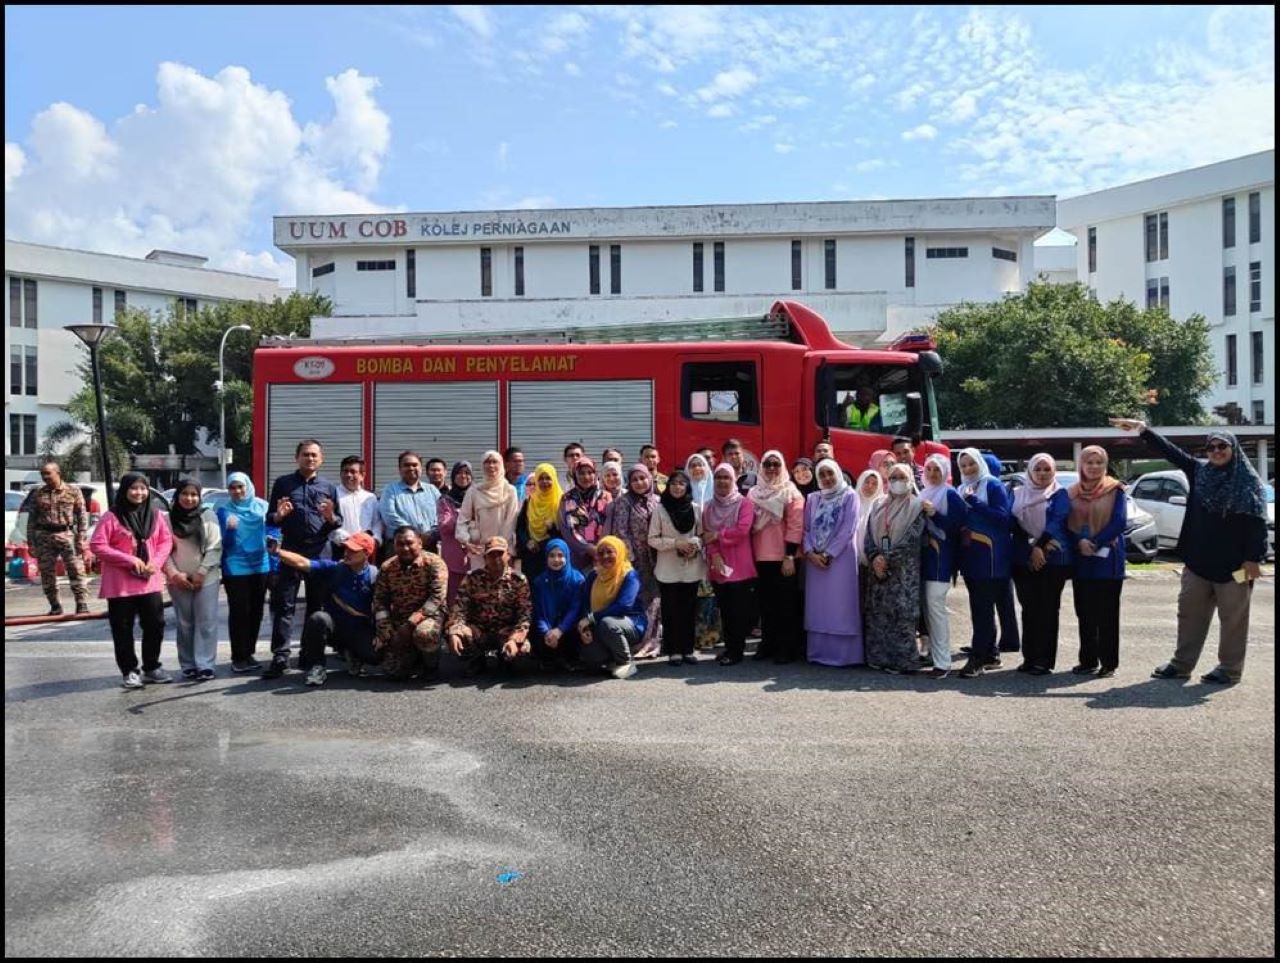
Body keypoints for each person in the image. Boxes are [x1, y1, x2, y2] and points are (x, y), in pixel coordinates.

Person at [1113, 419, 1268, 685]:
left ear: (1234, 450)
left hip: (1236, 569)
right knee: (1188, 615)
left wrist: (1252, 560)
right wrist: (1143, 430)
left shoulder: (1249, 483)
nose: (1216, 451)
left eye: (1223, 446)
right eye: (1211, 447)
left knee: (1234, 620)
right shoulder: (1199, 473)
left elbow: (1257, 525)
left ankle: (1229, 669)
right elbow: (1173, 453)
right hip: (1197, 563)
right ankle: (1181, 664)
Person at [264, 439, 342, 678]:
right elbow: (270, 518)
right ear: (296, 457)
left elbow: (338, 523)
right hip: (290, 551)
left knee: (315, 606)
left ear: (322, 459)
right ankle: (280, 656)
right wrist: (280, 515)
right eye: (305, 455)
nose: (310, 459)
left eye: (314, 455)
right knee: (284, 605)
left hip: (318, 553)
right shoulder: (283, 483)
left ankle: (310, 654)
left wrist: (330, 517)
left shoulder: (329, 487)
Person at [90, 472, 175, 689]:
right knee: (123, 629)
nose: (139, 493)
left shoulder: (156, 515)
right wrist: (129, 560)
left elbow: (165, 542)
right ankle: (129, 671)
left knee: (155, 625)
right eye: (133, 488)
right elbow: (98, 545)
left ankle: (152, 667)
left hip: (149, 581)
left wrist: (154, 563)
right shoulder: (112, 516)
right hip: (121, 586)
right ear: (125, 491)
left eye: (143, 488)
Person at [269, 532, 379, 687]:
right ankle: (317, 666)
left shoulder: (376, 575)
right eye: (347, 548)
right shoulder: (335, 568)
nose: (347, 553)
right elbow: (303, 563)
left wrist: (379, 634)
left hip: (359, 629)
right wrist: (278, 552)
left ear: (366, 553)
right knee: (318, 619)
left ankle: (354, 655)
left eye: (354, 550)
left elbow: (382, 607)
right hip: (335, 628)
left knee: (375, 656)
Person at [1063, 445, 1126, 678]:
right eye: (1089, 462)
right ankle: (1088, 660)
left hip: (1108, 560)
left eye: (1099, 462)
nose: (1094, 467)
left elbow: (1119, 522)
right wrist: (1079, 541)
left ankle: (1108, 662)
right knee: (1085, 612)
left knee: (1107, 614)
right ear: (1081, 465)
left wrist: (1096, 542)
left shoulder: (1115, 490)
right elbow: (1066, 522)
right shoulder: (1072, 492)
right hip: (1082, 561)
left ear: (1105, 465)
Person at [1010, 453, 1072, 675]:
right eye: (1038, 469)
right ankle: (1029, 657)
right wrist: (1030, 547)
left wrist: (1040, 547)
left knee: (1047, 610)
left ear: (1054, 471)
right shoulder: (1017, 493)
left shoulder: (1059, 494)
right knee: (1028, 609)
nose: (1043, 473)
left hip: (1053, 559)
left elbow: (1057, 521)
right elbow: (1012, 523)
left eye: (1047, 469)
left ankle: (1043, 661)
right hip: (1023, 559)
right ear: (1030, 471)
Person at [954, 448, 1013, 678]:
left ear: (980, 463)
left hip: (990, 555)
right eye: (964, 466)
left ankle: (977, 657)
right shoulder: (961, 488)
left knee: (983, 609)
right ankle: (990, 653)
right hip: (970, 555)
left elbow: (1002, 517)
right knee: (979, 608)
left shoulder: (991, 485)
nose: (968, 469)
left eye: (972, 464)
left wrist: (973, 501)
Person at [863, 463, 926, 674]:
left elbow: (912, 539)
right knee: (879, 613)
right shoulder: (878, 504)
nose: (897, 481)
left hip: (904, 571)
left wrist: (887, 558)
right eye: (893, 477)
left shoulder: (917, 506)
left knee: (902, 615)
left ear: (910, 480)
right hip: (878, 569)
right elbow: (868, 535)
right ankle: (879, 658)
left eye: (902, 477)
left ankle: (904, 662)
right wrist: (875, 557)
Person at [803, 459, 863, 666]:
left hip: (841, 559)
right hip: (815, 560)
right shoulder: (812, 498)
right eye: (822, 475)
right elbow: (805, 529)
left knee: (841, 605)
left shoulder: (850, 496)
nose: (827, 478)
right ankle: (819, 652)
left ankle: (844, 655)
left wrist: (828, 554)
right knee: (819, 606)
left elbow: (849, 528)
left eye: (830, 473)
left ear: (838, 473)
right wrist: (810, 552)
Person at [445, 537, 534, 676]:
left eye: (500, 553)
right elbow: (458, 609)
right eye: (492, 554)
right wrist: (455, 631)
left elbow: (525, 614)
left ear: (508, 555)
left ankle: (505, 657)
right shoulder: (472, 578)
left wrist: (514, 638)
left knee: (523, 649)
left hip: (505, 631)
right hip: (479, 630)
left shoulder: (518, 580)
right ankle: (477, 659)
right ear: (485, 558)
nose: (496, 558)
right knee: (457, 634)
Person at [163, 479, 223, 681]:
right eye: (185, 494)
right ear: (177, 496)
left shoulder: (208, 516)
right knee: (184, 622)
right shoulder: (167, 520)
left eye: (194, 494)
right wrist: (174, 574)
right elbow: (163, 551)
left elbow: (215, 547)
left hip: (207, 577)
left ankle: (205, 664)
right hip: (178, 579)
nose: (189, 498)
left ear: (199, 497)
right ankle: (188, 664)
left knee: (206, 622)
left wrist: (202, 571)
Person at [749, 450, 805, 664]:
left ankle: (786, 648)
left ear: (782, 467)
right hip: (760, 558)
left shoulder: (791, 493)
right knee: (766, 605)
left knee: (786, 605)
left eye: (776, 464)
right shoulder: (754, 493)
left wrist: (790, 556)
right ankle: (768, 644)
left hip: (784, 558)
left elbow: (796, 526)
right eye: (767, 464)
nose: (771, 469)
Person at [373, 526, 449, 680]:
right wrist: (386, 629)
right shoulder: (387, 567)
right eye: (400, 544)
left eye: (409, 543)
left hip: (430, 616)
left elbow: (436, 599)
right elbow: (380, 600)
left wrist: (409, 625)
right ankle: (414, 658)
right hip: (400, 618)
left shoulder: (434, 563)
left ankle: (430, 665)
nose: (405, 548)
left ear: (420, 543)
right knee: (392, 671)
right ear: (394, 546)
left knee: (425, 634)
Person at [649, 469, 705, 666]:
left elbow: (702, 534)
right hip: (668, 569)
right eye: (673, 483)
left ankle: (688, 649)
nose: (677, 487)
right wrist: (676, 543)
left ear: (687, 487)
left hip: (691, 567)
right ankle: (673, 651)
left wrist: (694, 544)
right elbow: (652, 539)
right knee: (671, 610)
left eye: (681, 483)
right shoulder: (660, 509)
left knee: (689, 610)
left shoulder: (696, 508)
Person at [606, 463, 663, 658]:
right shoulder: (624, 502)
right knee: (638, 601)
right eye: (635, 479)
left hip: (657, 558)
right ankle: (639, 642)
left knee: (655, 602)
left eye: (643, 478)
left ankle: (654, 642)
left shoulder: (657, 500)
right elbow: (620, 530)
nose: (639, 483)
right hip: (636, 560)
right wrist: (630, 558)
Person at [702, 463, 757, 666]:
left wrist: (718, 535)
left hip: (740, 566)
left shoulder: (744, 504)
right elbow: (706, 534)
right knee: (725, 610)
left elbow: (742, 531)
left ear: (734, 480)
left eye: (727, 477)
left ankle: (736, 651)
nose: (723, 481)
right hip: (719, 565)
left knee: (738, 611)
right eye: (718, 478)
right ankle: (729, 647)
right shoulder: (708, 506)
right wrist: (714, 555)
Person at [919, 454, 967, 679]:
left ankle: (943, 662)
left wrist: (935, 514)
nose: (932, 474)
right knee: (928, 610)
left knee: (935, 608)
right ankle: (937, 658)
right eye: (928, 469)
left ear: (946, 472)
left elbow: (957, 527)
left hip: (941, 559)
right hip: (924, 558)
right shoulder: (924, 492)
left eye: (937, 470)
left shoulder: (949, 494)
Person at [577, 535, 645, 679]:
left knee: (608, 623)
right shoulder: (594, 575)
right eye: (601, 553)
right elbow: (585, 603)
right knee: (591, 659)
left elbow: (624, 606)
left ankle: (626, 661)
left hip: (629, 623)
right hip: (599, 624)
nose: (605, 556)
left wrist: (591, 618)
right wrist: (586, 627)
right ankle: (612, 658)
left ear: (619, 552)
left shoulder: (629, 575)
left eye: (610, 552)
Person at [28, 460, 90, 615]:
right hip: (44, 536)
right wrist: (31, 543)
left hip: (67, 534)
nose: (45, 477)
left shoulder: (73, 491)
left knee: (76, 569)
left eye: (48, 473)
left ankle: (81, 603)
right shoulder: (38, 494)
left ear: (58, 473)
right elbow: (32, 520)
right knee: (47, 573)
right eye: (43, 474)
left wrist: (82, 538)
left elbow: (82, 516)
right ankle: (55, 605)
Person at [457, 450, 520, 571]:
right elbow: (462, 519)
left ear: (501, 465)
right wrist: (466, 541)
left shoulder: (509, 490)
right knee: (480, 585)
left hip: (502, 550)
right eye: (487, 462)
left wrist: (497, 547)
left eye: (494, 462)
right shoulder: (474, 491)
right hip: (479, 549)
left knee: (503, 586)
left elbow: (510, 522)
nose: (491, 466)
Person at [985, 451, 1022, 655]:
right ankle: (1008, 638)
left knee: (1000, 597)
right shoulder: (1002, 488)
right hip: (1001, 549)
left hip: (998, 550)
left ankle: (1008, 639)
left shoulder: (995, 488)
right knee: (1002, 597)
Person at [531, 538, 585, 671]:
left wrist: (560, 630)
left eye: (560, 555)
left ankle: (570, 658)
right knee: (534, 631)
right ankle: (549, 658)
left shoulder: (577, 579)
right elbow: (539, 612)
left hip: (567, 628)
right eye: (552, 555)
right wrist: (546, 632)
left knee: (576, 631)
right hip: (549, 630)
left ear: (567, 556)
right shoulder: (540, 581)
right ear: (546, 557)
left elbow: (575, 609)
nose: (556, 560)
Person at [684, 453, 721, 650]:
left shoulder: (716, 492)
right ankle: (692, 636)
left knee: (710, 595)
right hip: (690, 552)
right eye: (693, 466)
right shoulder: (684, 491)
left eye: (701, 465)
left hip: (713, 550)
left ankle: (710, 635)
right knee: (692, 594)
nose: (697, 469)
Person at [558, 457, 613, 571]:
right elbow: (566, 528)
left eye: (590, 472)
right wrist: (586, 547)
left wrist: (600, 547)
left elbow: (610, 521)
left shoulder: (605, 496)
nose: (586, 477)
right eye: (581, 473)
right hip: (577, 555)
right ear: (575, 475)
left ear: (595, 474)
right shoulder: (567, 498)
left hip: (602, 553)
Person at [514, 462, 563, 583]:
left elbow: (566, 532)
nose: (544, 482)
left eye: (548, 478)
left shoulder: (562, 502)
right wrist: (527, 541)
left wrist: (551, 529)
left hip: (553, 555)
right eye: (540, 478)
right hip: (532, 555)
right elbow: (520, 527)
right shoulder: (530, 501)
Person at [379, 450, 441, 543]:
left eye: (415, 465)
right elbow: (389, 517)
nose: (411, 468)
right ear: (400, 469)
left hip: (429, 543)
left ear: (421, 468)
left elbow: (441, 515)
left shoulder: (432, 490)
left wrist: (431, 533)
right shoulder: (390, 490)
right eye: (406, 465)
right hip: (400, 545)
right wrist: (414, 534)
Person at [330, 455, 383, 558]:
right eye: (345, 471)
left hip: (366, 550)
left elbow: (377, 522)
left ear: (362, 475)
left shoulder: (370, 497)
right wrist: (349, 541)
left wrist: (375, 539)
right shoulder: (332, 495)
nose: (349, 475)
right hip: (341, 548)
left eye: (353, 472)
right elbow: (329, 523)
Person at [435, 461, 473, 604]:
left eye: (467, 473)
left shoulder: (476, 497)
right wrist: (466, 517)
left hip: (475, 555)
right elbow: (445, 525)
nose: (463, 476)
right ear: (452, 476)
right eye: (459, 473)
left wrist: (457, 515)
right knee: (454, 597)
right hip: (453, 555)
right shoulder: (445, 500)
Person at [853, 469, 884, 568]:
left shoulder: (882, 506)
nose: (869, 486)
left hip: (875, 561)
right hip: (851, 562)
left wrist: (885, 555)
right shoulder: (851, 504)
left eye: (874, 484)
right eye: (866, 482)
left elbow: (886, 534)